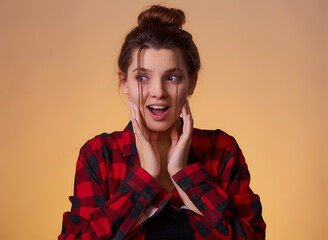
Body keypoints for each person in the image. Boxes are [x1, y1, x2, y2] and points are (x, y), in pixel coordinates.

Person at [59, 5, 266, 240]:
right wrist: (145, 178)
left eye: (172, 77)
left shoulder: (221, 150)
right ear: (124, 82)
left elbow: (253, 237)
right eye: (143, 77)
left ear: (192, 83)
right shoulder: (99, 156)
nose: (158, 92)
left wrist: (183, 175)